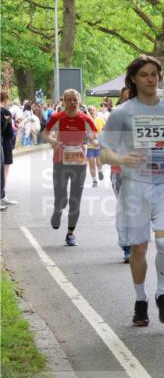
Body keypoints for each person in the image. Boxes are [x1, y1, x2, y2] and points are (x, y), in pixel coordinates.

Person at [99, 55, 164, 326]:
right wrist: (122, 159)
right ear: (134, 79)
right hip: (134, 186)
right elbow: (103, 153)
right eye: (145, 74)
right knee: (138, 247)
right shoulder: (122, 113)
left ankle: (163, 294)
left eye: (155, 74)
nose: (151, 79)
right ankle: (140, 299)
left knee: (163, 241)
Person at [44, 89, 97, 246]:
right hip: (60, 161)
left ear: (79, 101)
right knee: (61, 197)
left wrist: (90, 140)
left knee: (75, 199)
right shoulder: (57, 117)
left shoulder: (86, 118)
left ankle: (71, 233)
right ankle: (58, 209)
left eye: (75, 100)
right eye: (69, 100)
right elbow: (46, 134)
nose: (72, 103)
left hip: (79, 163)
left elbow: (95, 136)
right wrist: (53, 142)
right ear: (64, 102)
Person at [109, 87, 133, 261]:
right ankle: (127, 246)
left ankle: (136, 241)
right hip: (120, 172)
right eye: (126, 98)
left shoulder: (147, 117)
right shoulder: (115, 118)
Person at [1, 91, 17, 208]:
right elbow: (10, 132)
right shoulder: (5, 112)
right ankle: (2, 194)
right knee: (5, 170)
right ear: (5, 99)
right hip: (5, 143)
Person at [85, 105, 105, 187]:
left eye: (93, 110)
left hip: (99, 144)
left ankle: (100, 171)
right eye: (90, 110)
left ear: (96, 111)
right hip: (90, 146)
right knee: (91, 163)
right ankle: (94, 180)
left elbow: (105, 130)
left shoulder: (100, 120)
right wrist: (87, 136)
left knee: (99, 162)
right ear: (88, 112)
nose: (92, 112)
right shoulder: (85, 121)